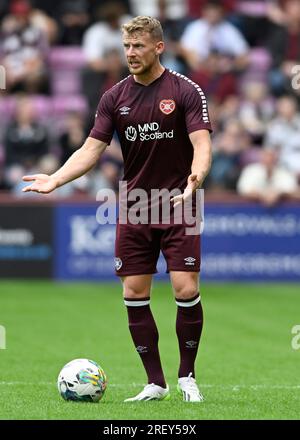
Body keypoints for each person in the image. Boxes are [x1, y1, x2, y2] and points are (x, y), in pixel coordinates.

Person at [22, 16, 212, 402]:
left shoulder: (185, 90)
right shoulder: (114, 97)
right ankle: (155, 383)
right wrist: (56, 179)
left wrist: (196, 177)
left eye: (138, 46)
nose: (130, 53)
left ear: (158, 47)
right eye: (126, 47)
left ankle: (187, 377)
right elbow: (91, 150)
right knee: (134, 291)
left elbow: (202, 142)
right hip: (136, 206)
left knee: (185, 287)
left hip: (179, 201)